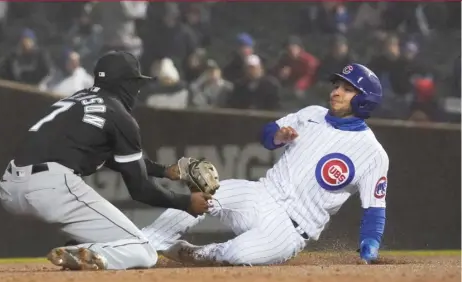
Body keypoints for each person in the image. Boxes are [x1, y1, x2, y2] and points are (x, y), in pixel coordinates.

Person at [141, 63, 388, 266]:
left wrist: (371, 244)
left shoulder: (372, 153)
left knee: (238, 255)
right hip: (261, 195)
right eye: (336, 86)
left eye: (347, 89)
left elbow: (374, 208)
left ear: (364, 100)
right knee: (207, 192)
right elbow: (268, 133)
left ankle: (199, 253)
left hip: (291, 228)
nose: (336, 92)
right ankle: (144, 242)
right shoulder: (312, 113)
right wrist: (277, 137)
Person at [0, 51, 211, 271]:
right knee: (143, 251)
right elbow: (141, 190)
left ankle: (82, 247)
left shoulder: (75, 100)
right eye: (135, 83)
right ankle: (85, 251)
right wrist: (186, 203)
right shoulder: (119, 115)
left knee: (116, 238)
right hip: (50, 188)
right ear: (125, 83)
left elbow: (105, 155)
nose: (137, 90)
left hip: (10, 188)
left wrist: (164, 171)